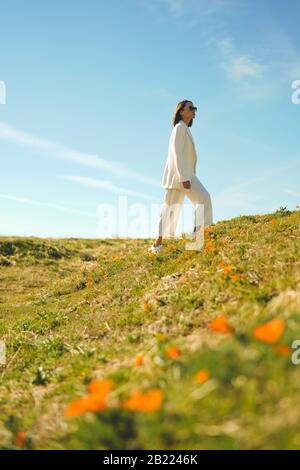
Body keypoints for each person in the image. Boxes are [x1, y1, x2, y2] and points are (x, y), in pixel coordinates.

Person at [148, 99, 213, 254]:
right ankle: (157, 244)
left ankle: (198, 237)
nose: (193, 110)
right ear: (181, 111)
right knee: (170, 209)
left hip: (188, 174)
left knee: (204, 198)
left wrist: (187, 175)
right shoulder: (179, 128)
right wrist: (183, 177)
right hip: (178, 175)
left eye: (194, 108)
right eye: (190, 108)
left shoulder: (185, 129)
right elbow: (176, 154)